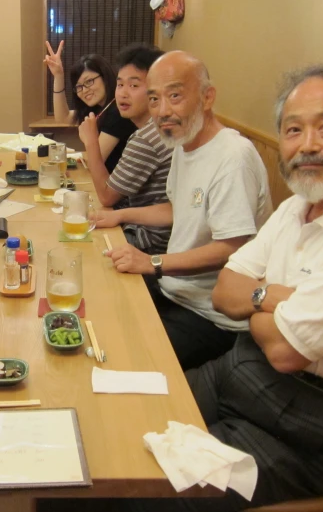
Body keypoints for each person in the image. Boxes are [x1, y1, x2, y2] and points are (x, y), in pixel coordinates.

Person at [106, 64, 323, 512]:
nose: (308, 145)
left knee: (152, 490)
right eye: (294, 130)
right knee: (120, 427)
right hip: (239, 368)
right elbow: (226, 290)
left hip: (304, 425)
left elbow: (284, 352)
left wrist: (255, 299)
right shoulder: (301, 205)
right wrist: (281, 298)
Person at [99, 51, 272, 370]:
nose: (163, 110)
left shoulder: (233, 158)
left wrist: (152, 262)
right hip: (174, 291)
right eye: (154, 99)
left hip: (212, 316)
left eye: (175, 95)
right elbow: (177, 209)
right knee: (98, 305)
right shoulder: (184, 144)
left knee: (120, 356)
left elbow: (229, 248)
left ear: (207, 97)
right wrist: (120, 216)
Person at [78, 43, 173, 255]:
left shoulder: (148, 137)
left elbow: (107, 196)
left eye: (134, 85)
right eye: (120, 85)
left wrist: (91, 141)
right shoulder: (156, 129)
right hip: (147, 229)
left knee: (80, 247)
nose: (123, 94)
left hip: (149, 240)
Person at [44, 41, 136, 172]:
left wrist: (87, 139)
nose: (85, 90)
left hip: (117, 187)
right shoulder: (98, 108)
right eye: (79, 86)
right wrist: (58, 76)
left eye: (89, 81)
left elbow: (95, 162)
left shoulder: (117, 112)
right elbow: (62, 117)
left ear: (105, 77)